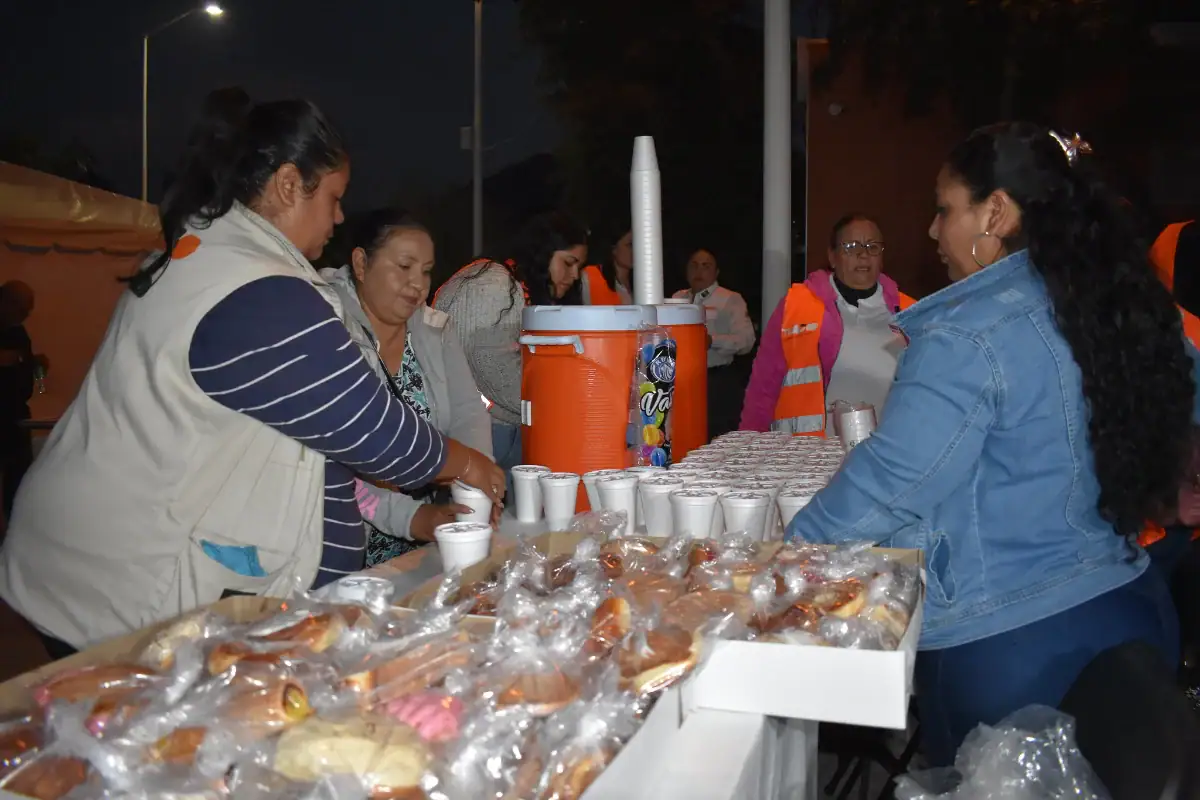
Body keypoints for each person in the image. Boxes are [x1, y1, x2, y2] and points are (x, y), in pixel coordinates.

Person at [0, 95, 502, 656]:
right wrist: (469, 463)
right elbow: (374, 433)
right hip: (119, 587)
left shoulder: (213, 258)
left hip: (102, 567)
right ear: (290, 185)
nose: (338, 218)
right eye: (333, 198)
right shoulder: (258, 291)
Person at [786, 122, 1190, 765]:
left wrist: (779, 553)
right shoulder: (1117, 301)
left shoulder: (968, 334)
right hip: (1134, 612)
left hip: (1013, 647)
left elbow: (893, 480)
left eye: (944, 209)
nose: (931, 231)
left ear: (994, 212)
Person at [320, 209, 493, 566]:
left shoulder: (434, 332)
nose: (419, 283)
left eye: (426, 271)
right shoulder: (326, 328)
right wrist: (409, 517)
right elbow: (334, 457)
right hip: (345, 541)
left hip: (426, 536)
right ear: (361, 263)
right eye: (404, 267)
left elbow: (467, 415)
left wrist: (478, 488)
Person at [433, 211, 588, 476]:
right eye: (568, 262)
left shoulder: (505, 281)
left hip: (490, 428)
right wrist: (551, 399)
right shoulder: (493, 282)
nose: (574, 275)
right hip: (487, 432)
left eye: (579, 267)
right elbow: (487, 358)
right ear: (544, 251)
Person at [740, 215, 915, 435]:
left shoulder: (911, 312)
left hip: (887, 453)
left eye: (872, 246)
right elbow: (763, 386)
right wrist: (748, 442)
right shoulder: (796, 305)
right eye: (851, 247)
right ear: (832, 257)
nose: (863, 254)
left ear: (882, 257)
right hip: (810, 455)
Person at [670, 247, 756, 438]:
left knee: (715, 435)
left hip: (716, 380)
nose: (698, 271)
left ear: (716, 272)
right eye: (694, 266)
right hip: (682, 380)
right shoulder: (677, 298)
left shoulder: (729, 299)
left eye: (705, 266)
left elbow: (746, 340)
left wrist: (712, 341)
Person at [0, 281, 47, 520]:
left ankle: (14, 525)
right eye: (22, 309)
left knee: (18, 479)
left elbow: (36, 388)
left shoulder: (18, 334)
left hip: (15, 419)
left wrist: (36, 370)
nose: (25, 316)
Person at [581, 230, 634, 305]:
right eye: (630, 245)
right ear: (614, 248)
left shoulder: (645, 282)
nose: (636, 250)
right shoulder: (590, 276)